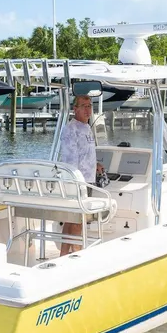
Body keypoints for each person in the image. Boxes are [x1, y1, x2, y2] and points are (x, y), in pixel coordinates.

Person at [58, 95, 104, 256]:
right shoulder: (71, 129)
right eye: (83, 106)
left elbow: (84, 153)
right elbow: (70, 160)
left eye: (90, 106)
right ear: (75, 109)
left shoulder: (86, 127)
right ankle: (77, 253)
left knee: (72, 219)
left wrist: (95, 165)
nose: (87, 109)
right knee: (79, 220)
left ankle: (63, 255)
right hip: (77, 182)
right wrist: (76, 183)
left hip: (88, 179)